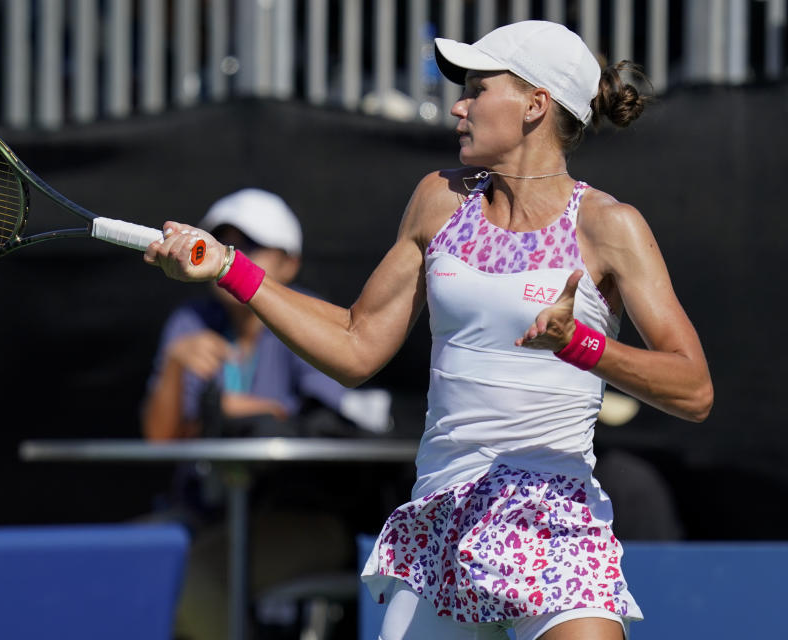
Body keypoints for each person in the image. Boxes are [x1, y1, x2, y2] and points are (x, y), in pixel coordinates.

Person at [145, 19, 712, 640]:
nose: (459, 105)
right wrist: (229, 267)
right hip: (444, 521)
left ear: (535, 104)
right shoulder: (438, 200)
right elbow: (357, 345)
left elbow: (693, 389)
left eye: (477, 88)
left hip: (556, 525)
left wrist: (580, 345)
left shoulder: (610, 225)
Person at [142, 188, 392, 640]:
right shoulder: (189, 322)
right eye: (223, 243)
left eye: (248, 247)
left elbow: (332, 423)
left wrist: (233, 411)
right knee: (121, 564)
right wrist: (178, 370)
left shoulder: (307, 316)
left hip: (306, 516)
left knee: (195, 582)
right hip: (206, 513)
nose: (229, 256)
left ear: (289, 263)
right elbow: (159, 442)